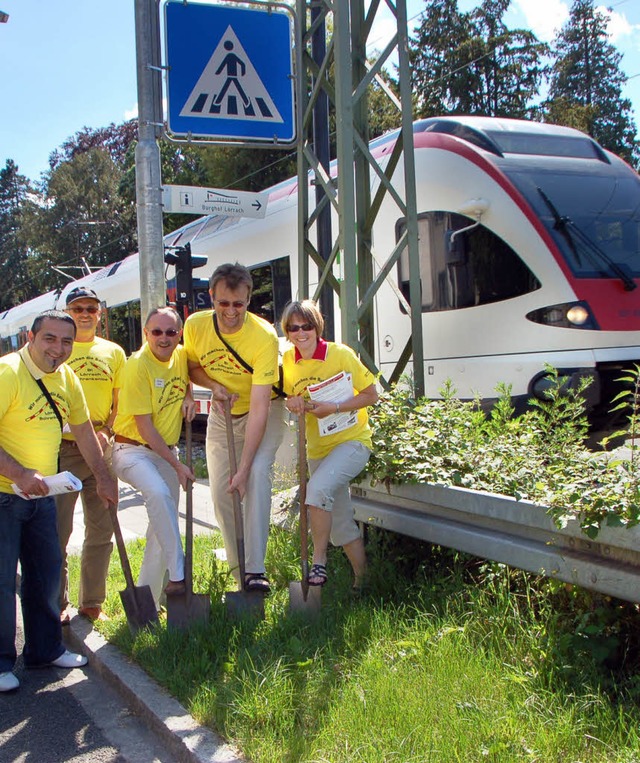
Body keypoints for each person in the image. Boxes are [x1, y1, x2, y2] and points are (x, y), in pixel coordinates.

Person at [0, 310, 118, 694]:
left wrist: (103, 477)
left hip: (43, 494)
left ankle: (45, 650)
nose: (59, 348)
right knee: (2, 582)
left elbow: (84, 433)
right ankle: (2, 663)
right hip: (4, 495)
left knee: (46, 575)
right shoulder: (7, 374)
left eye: (66, 341)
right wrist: (18, 474)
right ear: (29, 338)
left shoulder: (67, 378)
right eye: (50, 339)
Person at [183, 263, 287, 593]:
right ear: (211, 297)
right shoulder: (195, 325)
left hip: (266, 411)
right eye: (223, 303)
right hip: (222, 412)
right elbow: (191, 366)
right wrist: (213, 386)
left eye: (238, 304)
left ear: (248, 300)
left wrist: (243, 468)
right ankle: (236, 565)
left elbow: (259, 407)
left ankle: (256, 569)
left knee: (254, 476)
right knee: (221, 492)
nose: (231, 312)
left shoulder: (263, 336)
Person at [281, 299, 378, 589]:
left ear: (317, 327)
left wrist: (334, 408)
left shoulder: (339, 354)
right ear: (287, 331)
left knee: (317, 490)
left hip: (352, 443)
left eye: (307, 326)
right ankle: (364, 582)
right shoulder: (288, 361)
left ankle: (318, 562)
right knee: (339, 520)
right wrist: (293, 403)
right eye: (293, 327)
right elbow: (289, 399)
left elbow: (371, 394)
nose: (301, 333)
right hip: (318, 449)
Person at [111, 307, 196, 608]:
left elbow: (185, 375)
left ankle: (148, 602)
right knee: (159, 494)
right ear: (146, 333)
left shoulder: (181, 356)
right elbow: (145, 428)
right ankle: (180, 573)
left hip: (164, 452)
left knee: (163, 526)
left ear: (179, 335)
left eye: (170, 332)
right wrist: (178, 465)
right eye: (156, 332)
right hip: (130, 450)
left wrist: (188, 395)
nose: (163, 338)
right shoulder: (137, 366)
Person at [57, 286, 126, 624]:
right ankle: (58, 604)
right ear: (68, 312)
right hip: (63, 450)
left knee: (101, 530)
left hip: (101, 449)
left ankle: (92, 604)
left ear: (100, 314)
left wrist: (108, 431)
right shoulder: (58, 350)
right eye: (78, 308)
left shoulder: (113, 352)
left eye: (91, 308)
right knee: (58, 531)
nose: (85, 313)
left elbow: (120, 401)